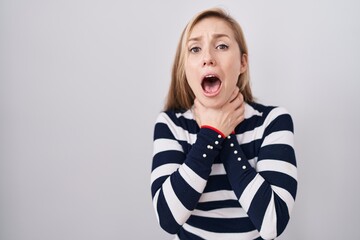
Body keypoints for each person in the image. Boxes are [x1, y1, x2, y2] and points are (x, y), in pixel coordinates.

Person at [150, 7, 297, 240]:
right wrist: (212, 133)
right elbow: (167, 218)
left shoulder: (272, 121)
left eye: (221, 46)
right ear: (185, 68)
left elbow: (272, 223)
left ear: (242, 63)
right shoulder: (170, 125)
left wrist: (222, 133)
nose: (208, 57)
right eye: (195, 49)